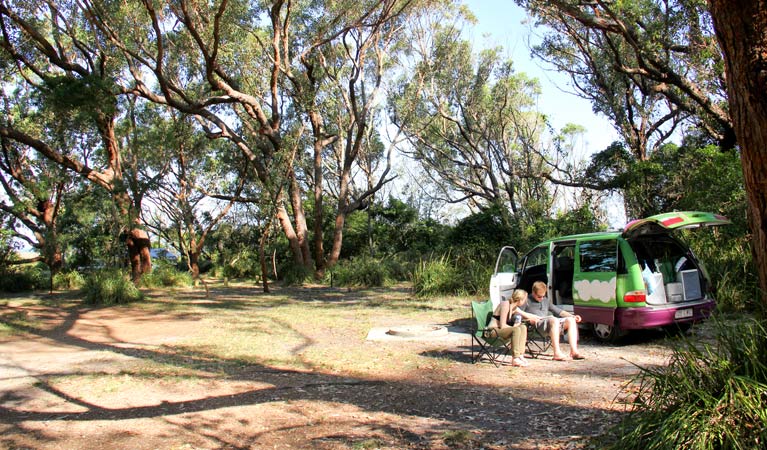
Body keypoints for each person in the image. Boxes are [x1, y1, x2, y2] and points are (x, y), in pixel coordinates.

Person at [518, 281, 585, 361]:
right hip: (536, 325)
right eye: (539, 296)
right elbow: (517, 314)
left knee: (571, 320)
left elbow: (558, 311)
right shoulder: (526, 300)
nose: (542, 298)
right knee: (554, 320)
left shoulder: (545, 300)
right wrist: (528, 319)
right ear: (533, 292)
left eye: (543, 296)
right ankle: (557, 353)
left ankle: (574, 351)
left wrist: (573, 316)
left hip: (550, 324)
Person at [488, 289, 529, 367]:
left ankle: (520, 354)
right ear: (520, 300)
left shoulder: (514, 307)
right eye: (525, 300)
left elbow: (527, 315)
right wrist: (514, 327)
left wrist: (540, 318)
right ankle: (515, 358)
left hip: (499, 330)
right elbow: (503, 325)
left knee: (523, 327)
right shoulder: (505, 305)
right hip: (492, 331)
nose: (525, 302)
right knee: (516, 329)